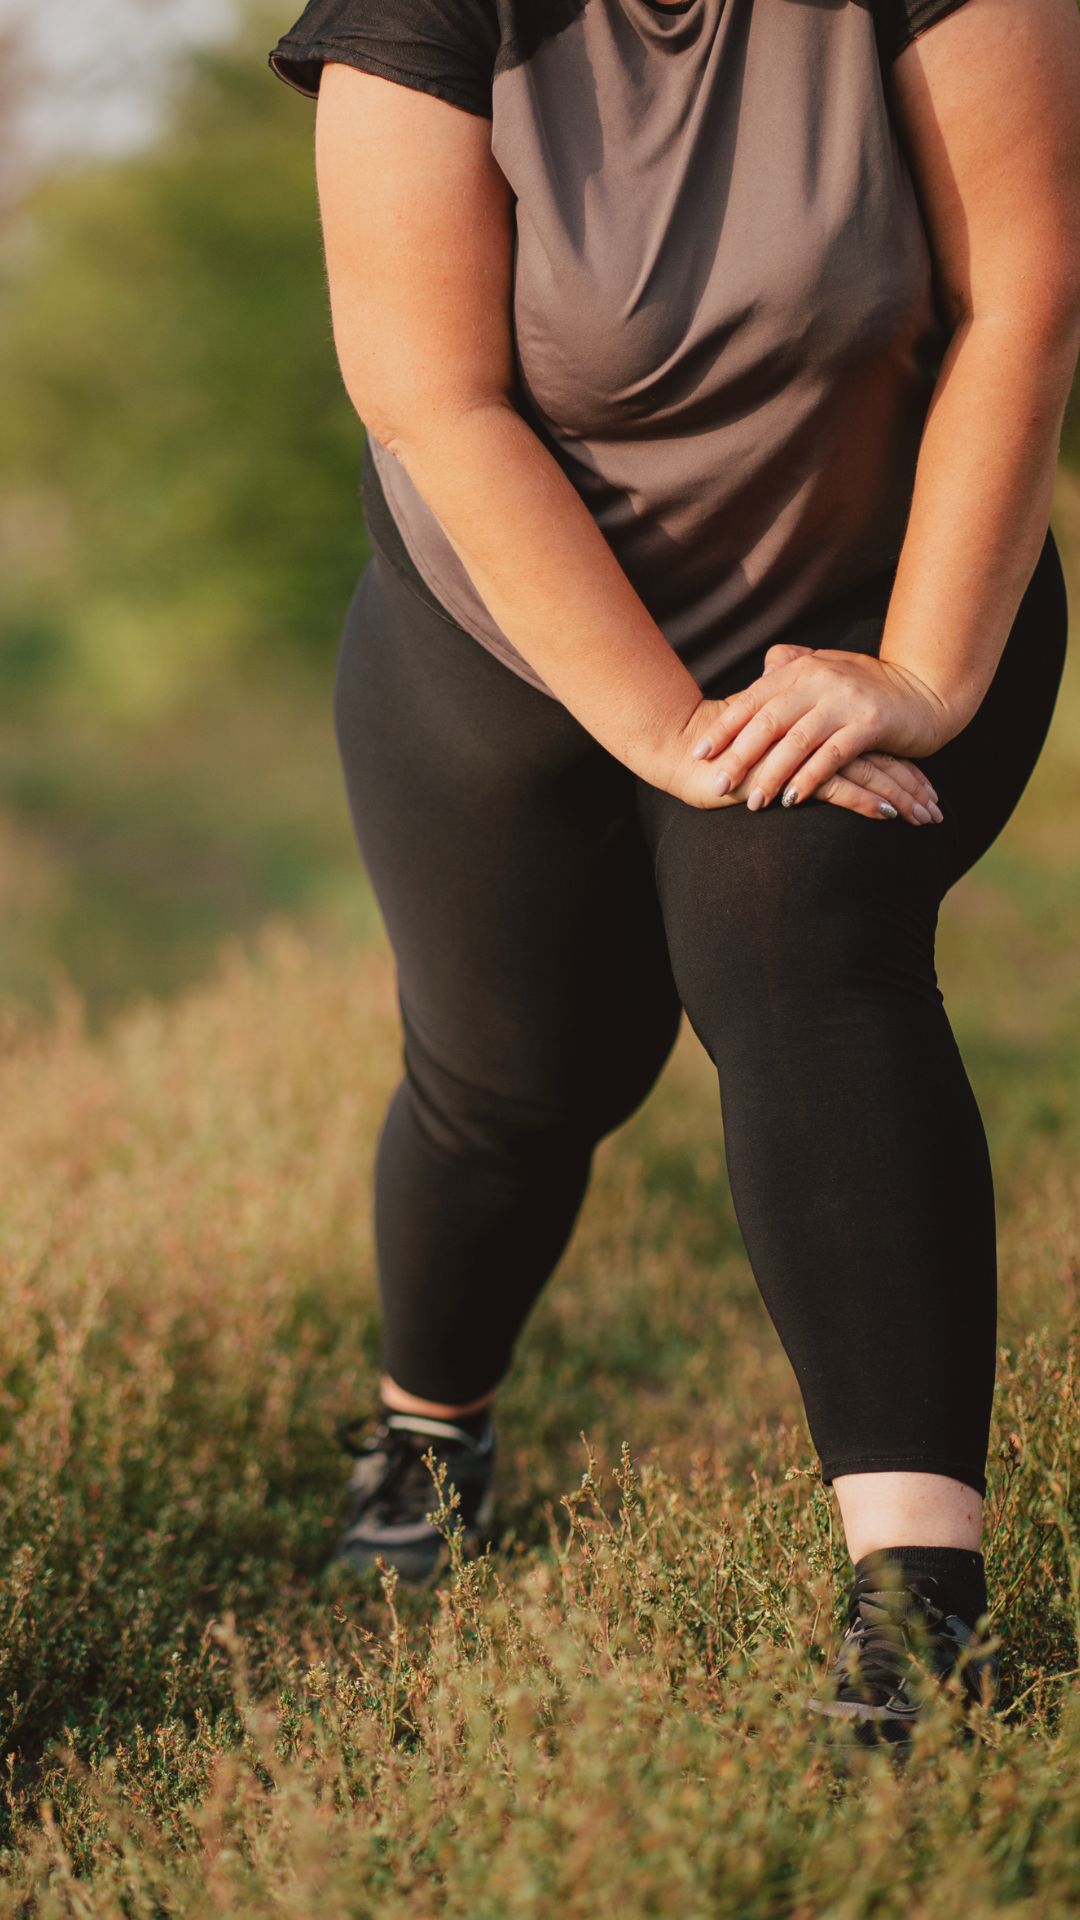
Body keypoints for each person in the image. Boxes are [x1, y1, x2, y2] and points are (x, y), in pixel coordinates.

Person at [267, 0, 1080, 1742]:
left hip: (876, 607)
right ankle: (430, 1434)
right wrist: (661, 729)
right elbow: (435, 397)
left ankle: (919, 1618)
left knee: (795, 930)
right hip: (511, 629)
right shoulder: (424, 13)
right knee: (521, 1082)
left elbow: (1023, 305)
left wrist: (924, 679)